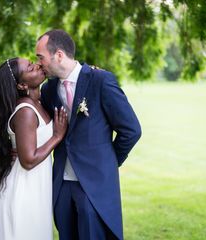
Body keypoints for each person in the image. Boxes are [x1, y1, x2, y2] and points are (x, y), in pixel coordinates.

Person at [36, 29, 142, 240]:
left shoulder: (100, 81)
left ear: (58, 55)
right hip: (62, 185)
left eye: (41, 57)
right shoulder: (48, 90)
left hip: (93, 186)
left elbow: (131, 130)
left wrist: (109, 162)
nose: (38, 63)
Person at [0, 57, 67, 240]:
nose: (37, 65)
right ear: (22, 85)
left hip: (35, 188)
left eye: (33, 62)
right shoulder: (25, 111)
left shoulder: (37, 103)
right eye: (31, 68)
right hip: (23, 192)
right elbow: (28, 160)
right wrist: (57, 136)